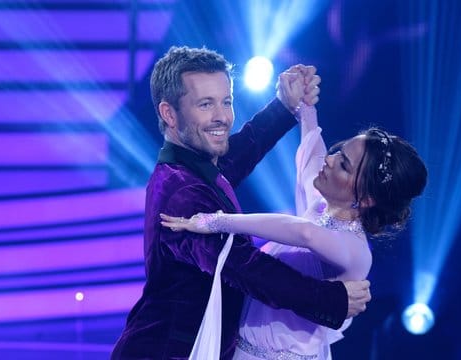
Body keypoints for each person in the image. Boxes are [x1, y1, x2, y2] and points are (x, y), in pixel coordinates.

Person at [111, 46, 371, 359]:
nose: (222, 116)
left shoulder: (192, 168)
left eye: (227, 101)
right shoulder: (181, 191)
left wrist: (285, 106)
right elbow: (246, 267)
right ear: (169, 113)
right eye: (206, 104)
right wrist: (329, 300)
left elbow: (235, 156)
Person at [161, 98, 427, 358]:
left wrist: (215, 221)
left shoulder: (355, 250)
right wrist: (305, 104)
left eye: (344, 165)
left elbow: (304, 233)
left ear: (367, 199)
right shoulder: (321, 209)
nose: (331, 160)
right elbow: (312, 154)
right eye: (340, 151)